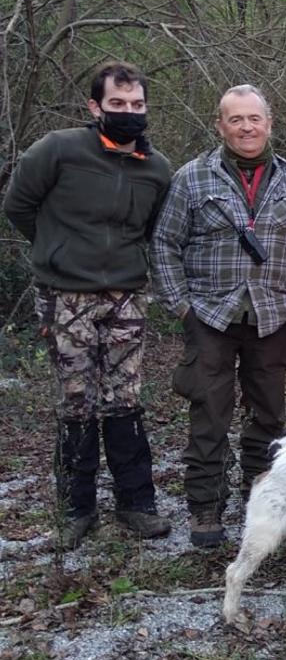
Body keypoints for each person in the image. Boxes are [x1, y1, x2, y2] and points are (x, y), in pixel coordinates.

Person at [152, 84, 286, 548]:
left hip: (273, 315)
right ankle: (206, 505)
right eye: (236, 119)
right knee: (209, 413)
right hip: (210, 315)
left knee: (269, 415)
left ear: (269, 124)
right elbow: (164, 245)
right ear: (220, 126)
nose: (246, 127)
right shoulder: (192, 178)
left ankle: (262, 498)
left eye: (254, 119)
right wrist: (182, 307)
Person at [4, 60, 173, 548]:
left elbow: (153, 229)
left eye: (137, 105)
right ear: (95, 106)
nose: (128, 112)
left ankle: (136, 505)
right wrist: (56, 252)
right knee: (76, 399)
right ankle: (76, 510)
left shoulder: (156, 168)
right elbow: (18, 206)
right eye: (117, 104)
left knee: (125, 397)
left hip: (127, 295)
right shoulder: (59, 150)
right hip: (66, 295)